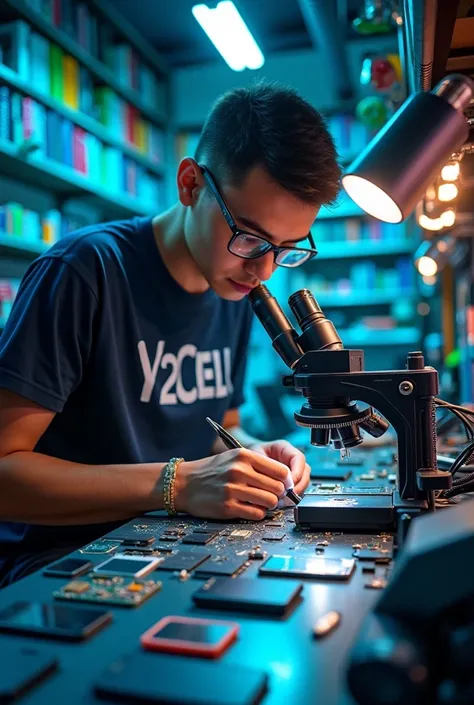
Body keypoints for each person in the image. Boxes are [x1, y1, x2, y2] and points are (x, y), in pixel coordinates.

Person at [0, 80, 341, 586]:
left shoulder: (231, 284)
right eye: (250, 236)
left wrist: (254, 455)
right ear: (190, 184)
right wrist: (176, 484)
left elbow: (217, 430)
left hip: (170, 542)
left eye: (287, 247)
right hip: (61, 561)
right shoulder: (84, 270)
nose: (265, 270)